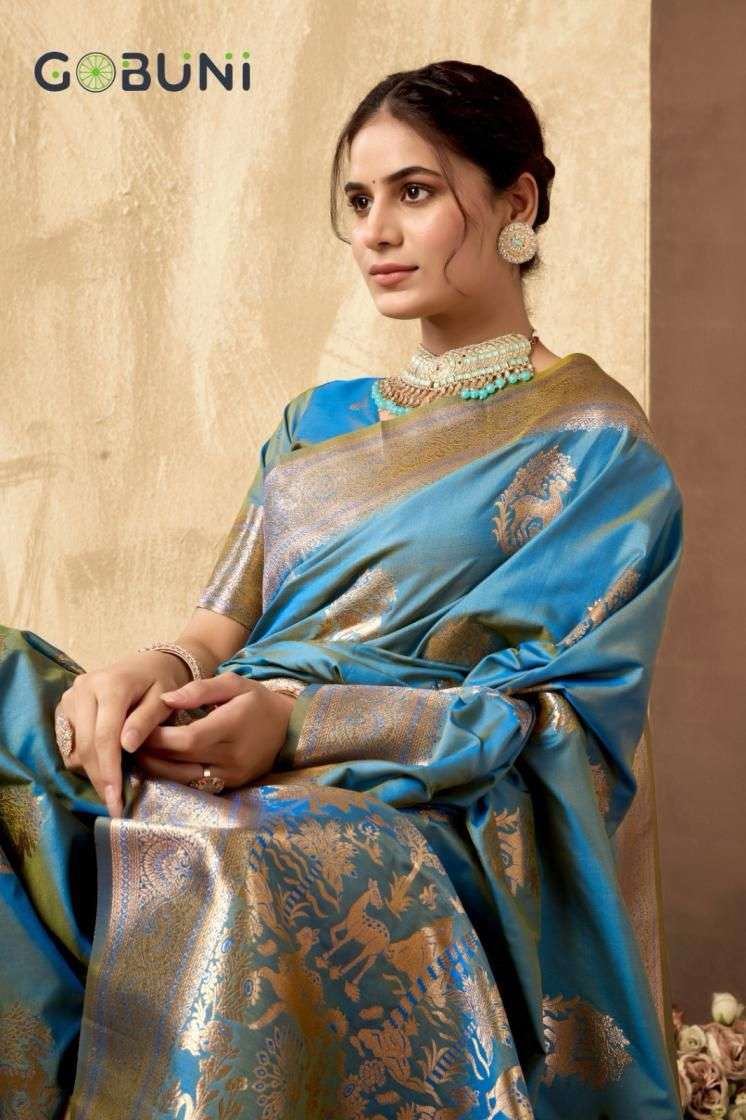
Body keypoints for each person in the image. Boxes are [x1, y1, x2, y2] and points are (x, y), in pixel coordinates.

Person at [0, 60, 685, 1120]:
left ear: (516, 203)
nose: (374, 231)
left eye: (413, 192)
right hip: (220, 719)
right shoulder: (315, 421)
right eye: (358, 201)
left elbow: (552, 721)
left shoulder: (600, 447)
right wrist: (147, 671)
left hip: (400, 780)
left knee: (229, 851)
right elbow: (217, 622)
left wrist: (296, 722)